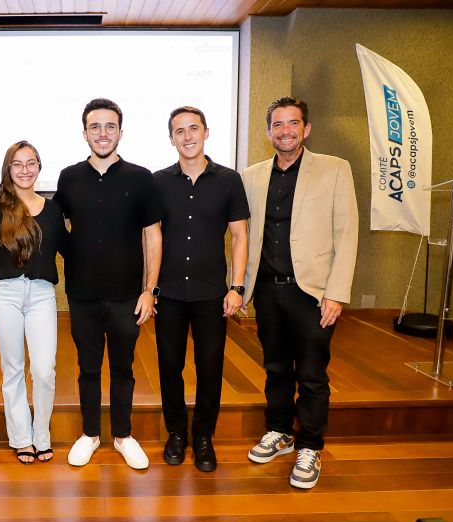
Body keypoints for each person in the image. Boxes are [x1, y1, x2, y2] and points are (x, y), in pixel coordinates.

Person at [241, 96, 359, 489]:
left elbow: (347, 234)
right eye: (277, 124)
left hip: (313, 293)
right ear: (268, 132)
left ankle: (310, 445)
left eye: (293, 123)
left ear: (306, 129)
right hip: (267, 290)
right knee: (275, 367)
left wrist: (336, 293)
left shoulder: (335, 169)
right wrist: (240, 287)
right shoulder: (252, 176)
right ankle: (279, 431)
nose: (285, 131)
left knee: (311, 373)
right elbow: (243, 236)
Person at [54, 98, 163, 470]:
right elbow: (59, 228)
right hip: (82, 295)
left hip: (127, 295)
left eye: (110, 126)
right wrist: (78, 256)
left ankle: (122, 435)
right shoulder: (68, 177)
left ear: (121, 131)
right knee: (87, 368)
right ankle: (89, 434)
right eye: (95, 127)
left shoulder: (141, 178)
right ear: (84, 133)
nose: (103, 133)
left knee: (123, 368)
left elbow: (152, 235)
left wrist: (149, 290)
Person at [153, 106, 249, 472]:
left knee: (209, 368)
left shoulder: (229, 180)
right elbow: (150, 238)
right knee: (169, 367)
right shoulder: (158, 182)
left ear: (206, 132)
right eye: (179, 131)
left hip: (212, 294)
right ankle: (177, 433)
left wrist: (236, 287)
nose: (188, 136)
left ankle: (204, 435)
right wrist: (149, 288)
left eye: (194, 128)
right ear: (171, 138)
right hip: (169, 294)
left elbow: (239, 236)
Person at [0, 141, 66, 464]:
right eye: (17, 164)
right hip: (4, 295)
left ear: (39, 167)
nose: (25, 170)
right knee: (12, 368)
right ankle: (22, 438)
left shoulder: (53, 210)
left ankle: (42, 434)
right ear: (8, 169)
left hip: (42, 294)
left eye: (31, 163)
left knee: (44, 370)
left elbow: (71, 250)